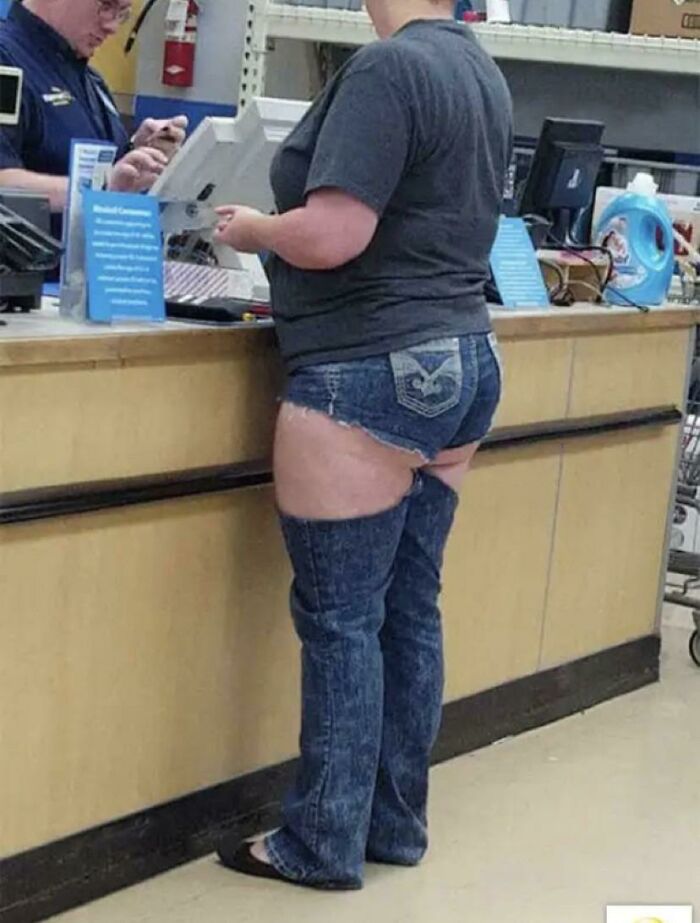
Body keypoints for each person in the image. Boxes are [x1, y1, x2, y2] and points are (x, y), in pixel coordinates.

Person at [214, 0, 513, 892]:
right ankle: (394, 824)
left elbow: (336, 234)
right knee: (409, 607)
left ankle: (319, 843)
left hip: (367, 363)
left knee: (343, 619)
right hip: (464, 357)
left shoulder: (388, 70)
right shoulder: (477, 68)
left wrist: (252, 229)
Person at [0, 0, 187, 240]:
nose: (112, 26)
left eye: (123, 14)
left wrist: (135, 155)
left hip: (88, 269)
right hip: (27, 273)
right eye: (106, 5)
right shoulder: (7, 60)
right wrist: (99, 188)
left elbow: (105, 174)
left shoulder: (90, 80)